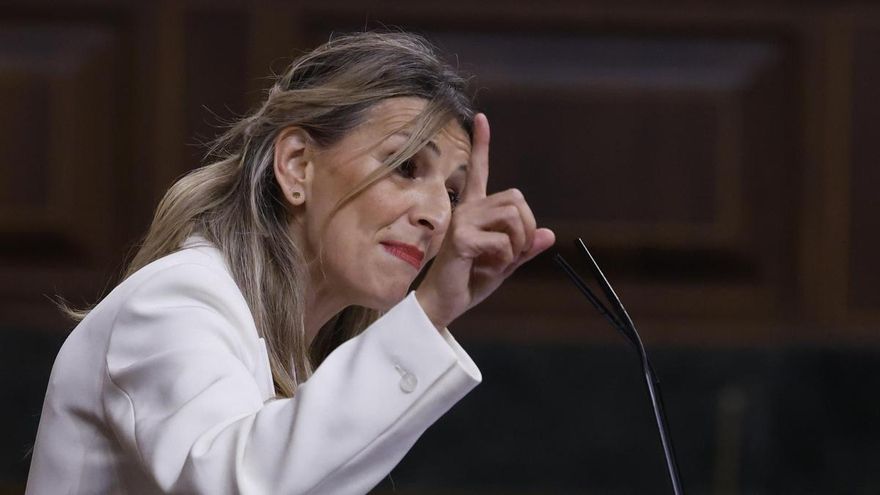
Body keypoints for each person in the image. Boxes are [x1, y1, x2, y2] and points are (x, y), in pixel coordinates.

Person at [25, 31, 555, 494]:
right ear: (297, 165)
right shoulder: (176, 300)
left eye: (454, 194)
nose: (438, 217)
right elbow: (233, 484)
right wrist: (431, 308)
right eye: (405, 166)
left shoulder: (311, 354)